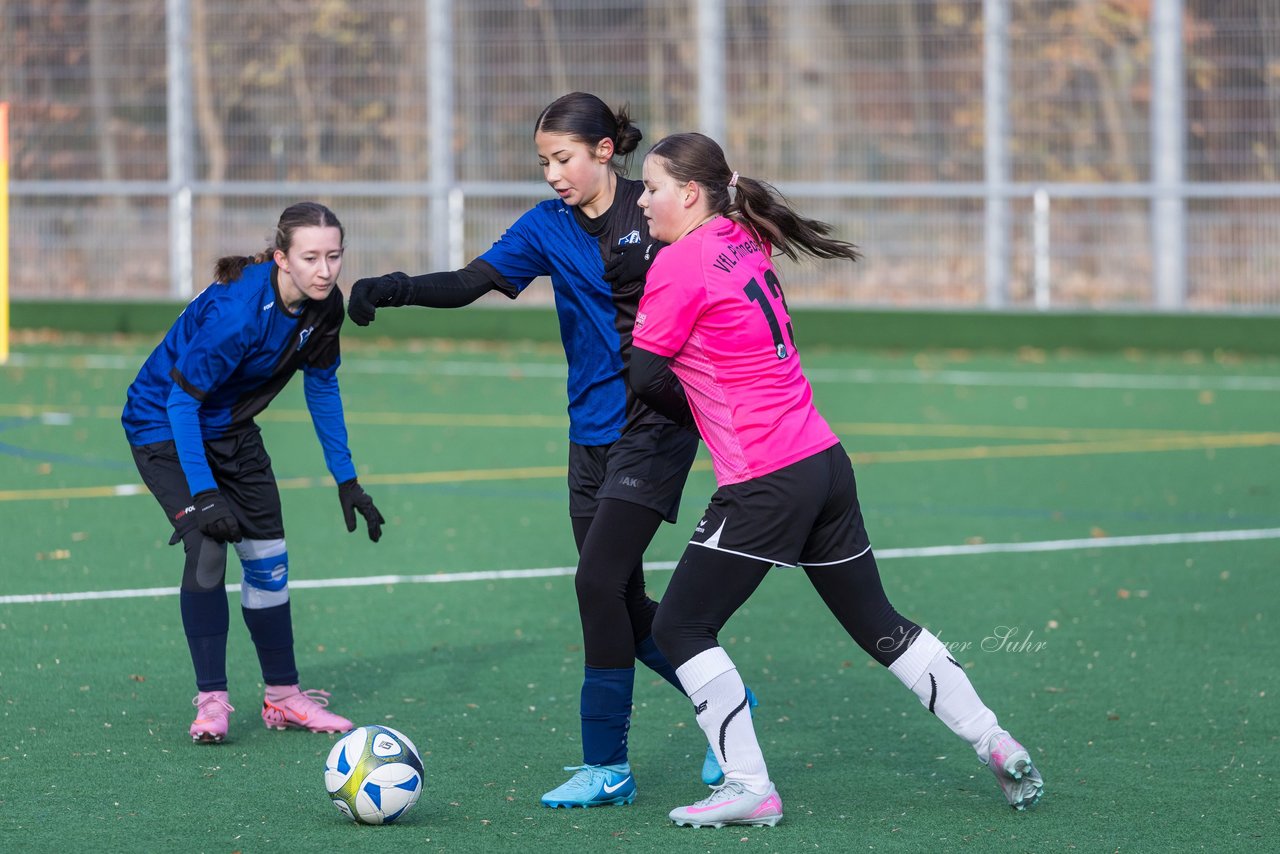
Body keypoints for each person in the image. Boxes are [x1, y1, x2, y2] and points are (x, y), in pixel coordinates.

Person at [346, 92, 753, 808]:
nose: (553, 174)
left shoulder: (657, 211)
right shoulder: (546, 225)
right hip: (588, 434)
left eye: (563, 158)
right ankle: (724, 701)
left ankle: (607, 766)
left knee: (596, 584)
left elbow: (723, 271)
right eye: (543, 163)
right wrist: (394, 287)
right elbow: (470, 282)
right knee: (619, 599)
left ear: (605, 151)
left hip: (654, 428)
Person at [629, 132, 1046, 828]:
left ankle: (749, 786)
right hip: (824, 462)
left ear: (690, 194)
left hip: (766, 477)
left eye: (652, 188)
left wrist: (704, 416)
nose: (643, 202)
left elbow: (645, 375)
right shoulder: (743, 235)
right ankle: (994, 740)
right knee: (879, 623)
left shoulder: (679, 262)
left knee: (681, 626)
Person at [122, 201, 384, 744]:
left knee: (268, 559)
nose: (325, 270)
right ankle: (212, 702)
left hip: (231, 429)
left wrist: (347, 478)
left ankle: (283, 697)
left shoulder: (325, 307)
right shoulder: (237, 314)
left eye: (334, 256)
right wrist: (204, 494)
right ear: (282, 258)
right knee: (209, 547)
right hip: (164, 425)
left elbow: (323, 386)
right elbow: (180, 404)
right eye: (310, 257)